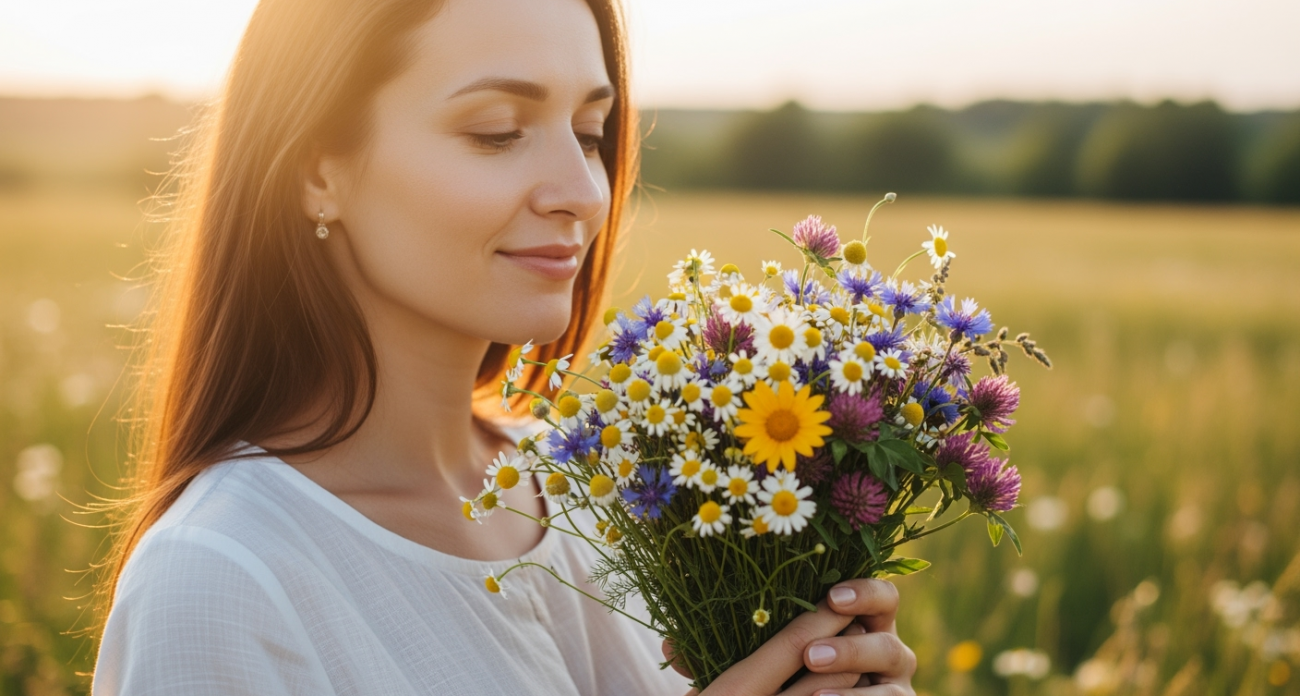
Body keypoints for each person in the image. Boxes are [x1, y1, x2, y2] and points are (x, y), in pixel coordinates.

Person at [91, 0, 919, 694]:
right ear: (318, 172)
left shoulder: (608, 494)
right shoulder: (220, 579)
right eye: (495, 132)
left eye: (591, 132)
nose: (581, 192)